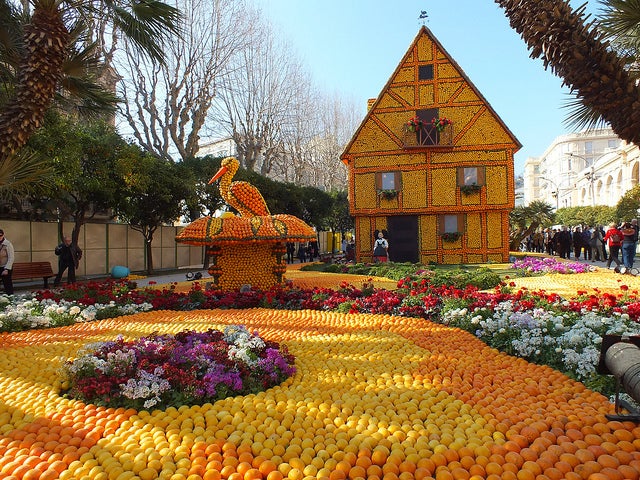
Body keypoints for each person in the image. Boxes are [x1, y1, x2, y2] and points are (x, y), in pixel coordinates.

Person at [0, 229, 15, 295]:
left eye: (0, 235)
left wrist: (6, 269)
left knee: (7, 284)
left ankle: (10, 298)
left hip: (5, 267)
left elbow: (11, 257)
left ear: (3, 235)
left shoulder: (7, 244)